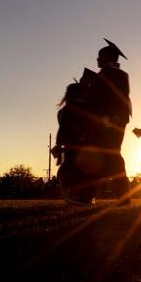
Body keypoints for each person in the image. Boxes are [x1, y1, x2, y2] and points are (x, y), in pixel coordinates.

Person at [83, 39, 132, 204]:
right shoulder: (107, 74)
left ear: (108, 57)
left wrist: (113, 118)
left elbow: (120, 99)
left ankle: (93, 194)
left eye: (99, 56)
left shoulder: (115, 74)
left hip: (110, 121)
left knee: (110, 156)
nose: (97, 59)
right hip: (104, 120)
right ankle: (92, 194)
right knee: (106, 156)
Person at [53, 69, 102, 205]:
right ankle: (79, 194)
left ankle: (83, 195)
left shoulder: (87, 99)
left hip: (80, 140)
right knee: (75, 167)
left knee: (79, 168)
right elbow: (68, 121)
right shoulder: (80, 99)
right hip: (78, 138)